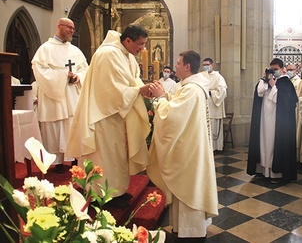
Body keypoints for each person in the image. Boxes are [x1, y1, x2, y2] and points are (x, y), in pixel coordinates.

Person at [66, 24, 151, 208]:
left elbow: (131, 81)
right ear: (127, 40)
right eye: (140, 44)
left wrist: (142, 90)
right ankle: (99, 195)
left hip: (116, 113)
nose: (142, 48)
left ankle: (116, 191)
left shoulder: (125, 54)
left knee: (116, 156)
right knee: (105, 157)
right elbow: (111, 89)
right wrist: (139, 90)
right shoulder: (108, 54)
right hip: (102, 115)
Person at [146, 50, 218, 242]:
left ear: (187, 66)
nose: (175, 66)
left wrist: (161, 98)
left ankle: (192, 231)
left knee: (189, 186)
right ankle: (184, 227)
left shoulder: (191, 90)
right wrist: (165, 99)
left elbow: (172, 118)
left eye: (178, 63)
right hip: (190, 145)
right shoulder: (189, 87)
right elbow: (178, 110)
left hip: (189, 151)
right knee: (185, 187)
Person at [31, 17, 88, 174]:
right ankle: (58, 163)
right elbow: (39, 70)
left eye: (73, 28)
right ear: (59, 26)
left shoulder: (75, 51)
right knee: (55, 129)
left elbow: (85, 69)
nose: (71, 31)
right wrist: (63, 76)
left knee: (72, 126)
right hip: (53, 97)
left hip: (72, 95)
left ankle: (75, 159)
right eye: (69, 27)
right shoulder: (45, 49)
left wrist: (78, 77)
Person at [246, 58, 298, 182]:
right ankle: (262, 170)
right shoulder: (266, 81)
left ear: (282, 69)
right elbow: (259, 93)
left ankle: (277, 173)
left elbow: (286, 101)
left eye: (276, 69)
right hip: (264, 119)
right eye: (271, 69)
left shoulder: (285, 83)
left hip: (278, 121)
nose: (273, 72)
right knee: (263, 142)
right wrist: (264, 79)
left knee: (274, 144)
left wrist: (274, 86)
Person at [202, 57, 228, 152]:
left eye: (207, 65)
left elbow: (223, 92)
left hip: (214, 106)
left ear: (212, 65)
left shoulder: (218, 77)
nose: (205, 67)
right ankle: (206, 148)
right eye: (204, 65)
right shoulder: (202, 77)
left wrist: (211, 93)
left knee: (214, 129)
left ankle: (215, 148)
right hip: (204, 107)